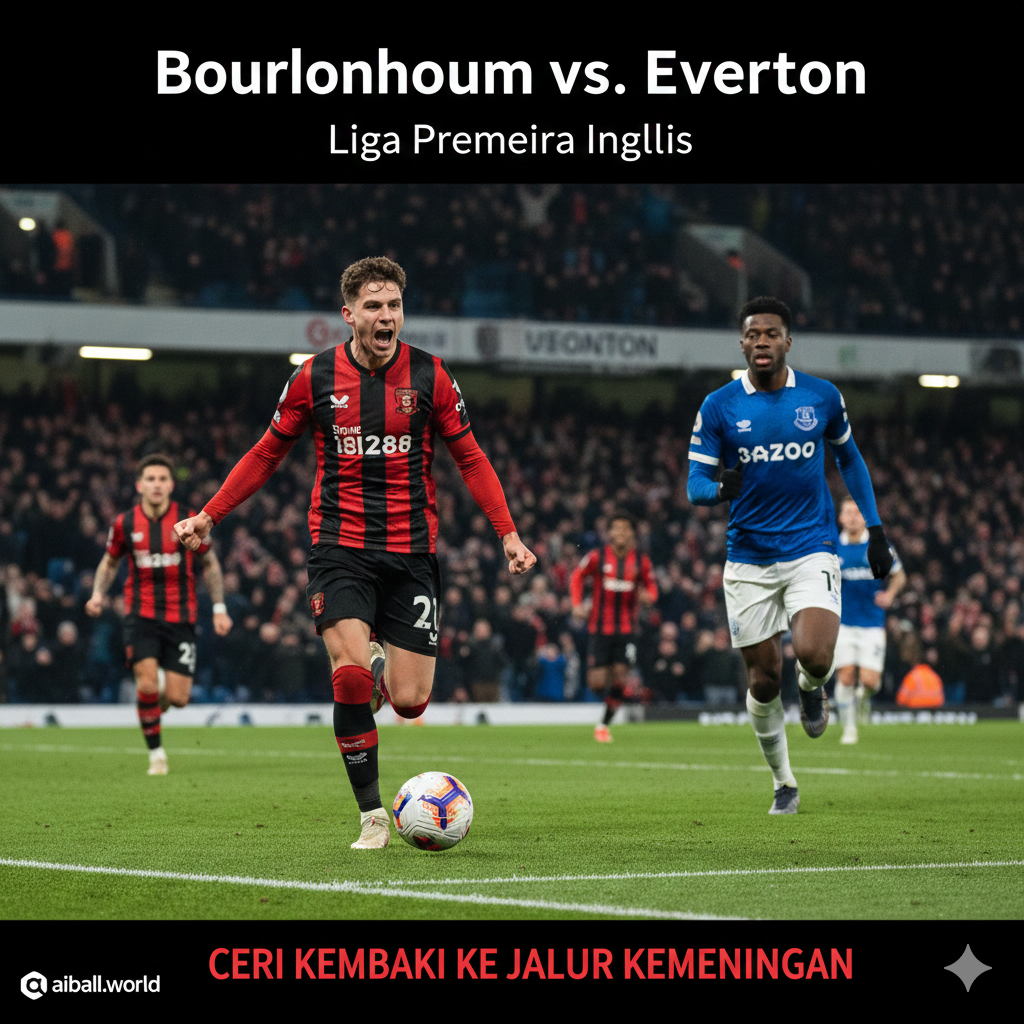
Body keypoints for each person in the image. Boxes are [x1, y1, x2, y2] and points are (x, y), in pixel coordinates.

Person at [174, 256, 536, 849]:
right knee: (347, 676)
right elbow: (266, 452)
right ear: (349, 314)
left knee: (411, 703)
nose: (386, 315)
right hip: (339, 546)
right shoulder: (314, 377)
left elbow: (470, 457)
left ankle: (379, 669)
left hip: (412, 552)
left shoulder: (432, 376)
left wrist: (508, 533)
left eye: (394, 305)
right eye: (373, 306)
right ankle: (372, 815)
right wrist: (209, 514)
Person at [686, 297, 894, 814]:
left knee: (815, 656)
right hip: (749, 558)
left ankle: (812, 687)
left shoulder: (821, 397)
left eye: (771, 334)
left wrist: (875, 529)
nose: (762, 341)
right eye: (753, 334)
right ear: (742, 343)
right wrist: (719, 489)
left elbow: (850, 459)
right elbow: (695, 485)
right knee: (762, 680)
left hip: (811, 548)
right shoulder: (719, 406)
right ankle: (784, 781)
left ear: (787, 342)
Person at [86, 454, 233, 774]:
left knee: (178, 699)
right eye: (150, 479)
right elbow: (109, 563)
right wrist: (97, 595)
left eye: (162, 479)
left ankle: (155, 700)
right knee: (148, 683)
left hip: (181, 616)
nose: (156, 484)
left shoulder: (188, 519)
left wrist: (219, 608)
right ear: (139, 485)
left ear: (171, 485)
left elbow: (209, 562)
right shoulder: (125, 523)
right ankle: (156, 754)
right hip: (140, 615)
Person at [570, 511, 657, 742]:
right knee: (597, 684)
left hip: (627, 630)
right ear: (608, 533)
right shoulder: (597, 557)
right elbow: (577, 577)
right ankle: (611, 680)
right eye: (616, 528)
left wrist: (649, 597)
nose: (621, 532)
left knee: (622, 679)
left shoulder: (641, 561)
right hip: (599, 629)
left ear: (632, 534)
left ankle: (603, 725)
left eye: (625, 528)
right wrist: (577, 604)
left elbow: (652, 587)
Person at [835, 497, 906, 743]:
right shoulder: (833, 546)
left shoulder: (878, 545)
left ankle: (863, 699)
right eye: (848, 512)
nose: (853, 517)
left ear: (864, 518)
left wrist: (891, 594)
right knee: (845, 677)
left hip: (872, 623)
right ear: (841, 518)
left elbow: (899, 575)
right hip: (842, 623)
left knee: (870, 681)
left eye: (857, 512)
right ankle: (849, 729)